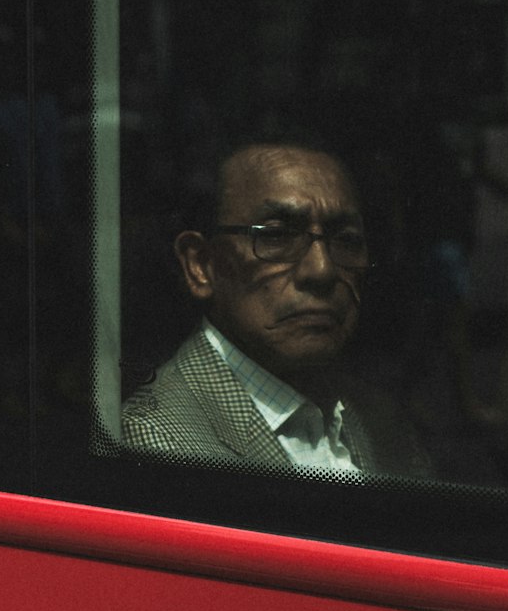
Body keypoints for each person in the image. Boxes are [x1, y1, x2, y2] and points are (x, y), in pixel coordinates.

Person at [122, 138, 431, 477]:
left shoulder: (380, 418)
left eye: (346, 240)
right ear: (200, 265)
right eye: (276, 236)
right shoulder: (158, 439)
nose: (322, 270)